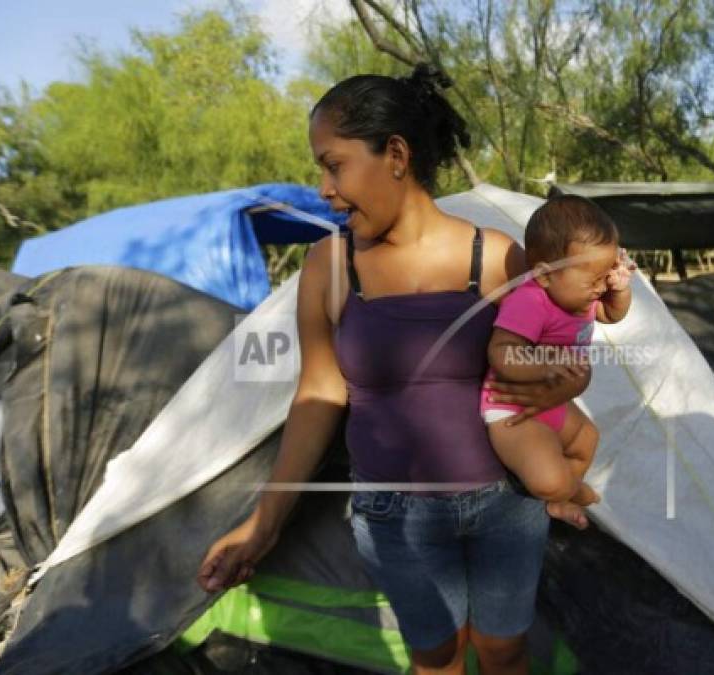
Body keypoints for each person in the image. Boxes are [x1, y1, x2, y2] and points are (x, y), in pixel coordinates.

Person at [196, 64, 592, 675]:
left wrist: (568, 384)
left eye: (334, 164)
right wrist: (262, 525)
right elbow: (320, 393)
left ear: (396, 155)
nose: (325, 189)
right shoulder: (329, 267)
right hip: (392, 519)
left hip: (505, 507)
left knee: (504, 651)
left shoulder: (496, 257)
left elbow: (546, 361)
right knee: (435, 658)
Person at [480, 196, 634, 518]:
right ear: (546, 275)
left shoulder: (584, 297)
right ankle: (569, 491)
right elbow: (501, 352)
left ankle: (559, 501)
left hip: (553, 403)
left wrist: (620, 289)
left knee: (586, 441)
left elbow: (612, 313)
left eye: (607, 275)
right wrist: (544, 366)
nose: (600, 287)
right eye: (594, 279)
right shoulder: (531, 302)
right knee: (549, 477)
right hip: (513, 409)